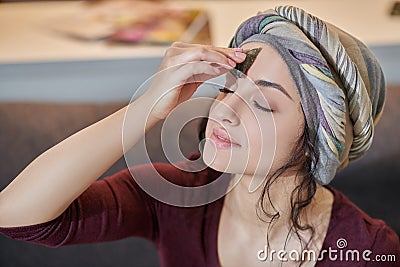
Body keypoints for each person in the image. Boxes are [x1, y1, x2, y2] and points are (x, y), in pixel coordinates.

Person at [0, 5, 399, 267]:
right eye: (228, 87)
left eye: (262, 103)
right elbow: (16, 216)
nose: (224, 109)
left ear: (318, 142)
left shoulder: (369, 251)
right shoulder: (178, 197)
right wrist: (147, 107)